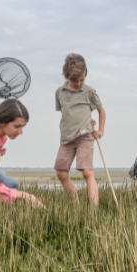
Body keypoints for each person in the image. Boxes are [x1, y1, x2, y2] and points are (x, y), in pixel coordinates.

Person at [54, 53, 106, 205]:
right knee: (61, 173)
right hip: (66, 138)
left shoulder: (89, 91)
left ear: (86, 74)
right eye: (74, 80)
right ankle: (76, 205)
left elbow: (101, 111)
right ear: (67, 76)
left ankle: (93, 210)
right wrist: (83, 118)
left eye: (82, 80)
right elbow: (67, 112)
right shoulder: (60, 92)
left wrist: (100, 130)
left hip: (85, 136)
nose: (78, 83)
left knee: (87, 172)